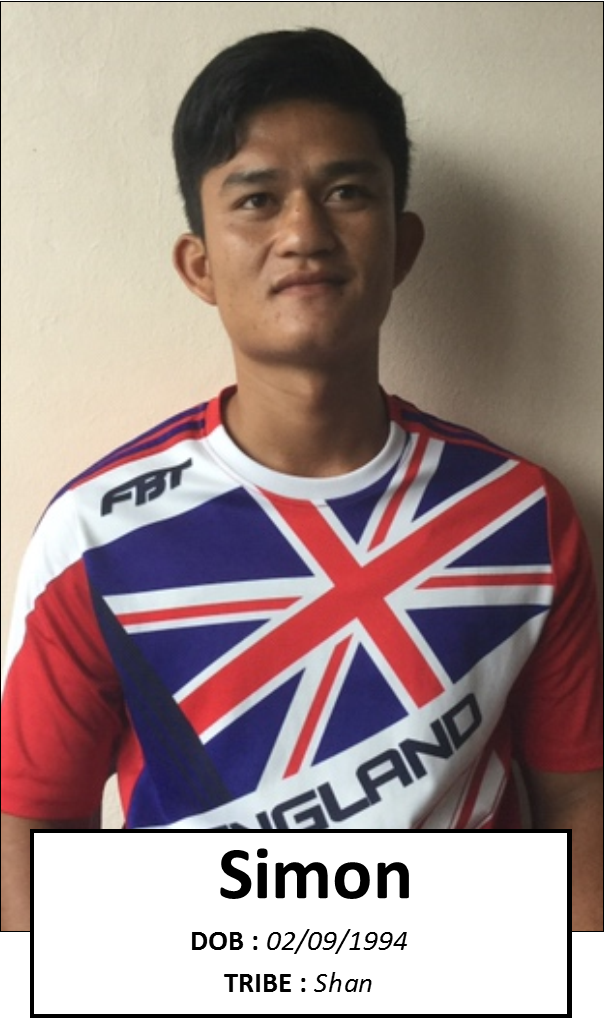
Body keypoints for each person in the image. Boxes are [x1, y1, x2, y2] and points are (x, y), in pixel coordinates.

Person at [1, 28, 602, 930]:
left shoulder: (521, 516)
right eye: (257, 199)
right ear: (200, 264)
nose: (304, 234)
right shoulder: (93, 536)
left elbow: (579, 800)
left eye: (346, 191)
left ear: (402, 245)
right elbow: (31, 825)